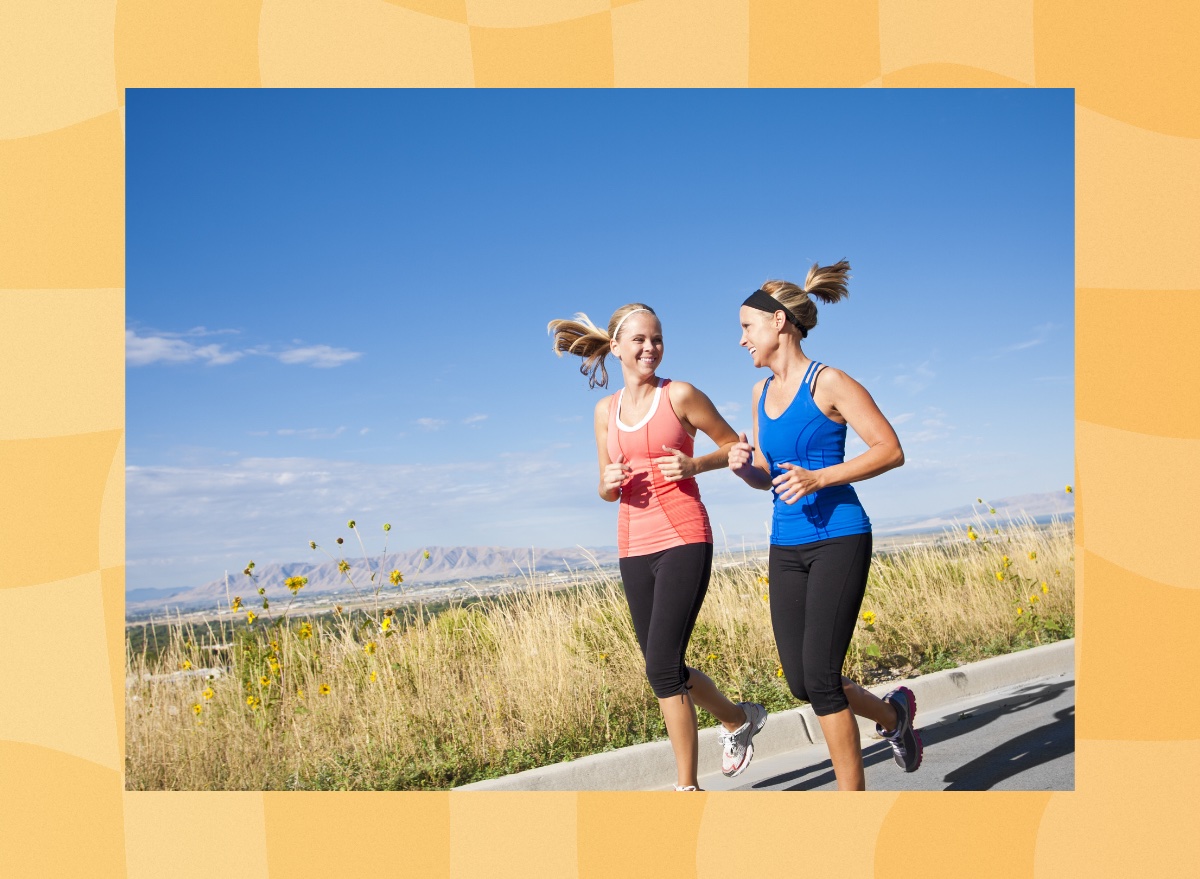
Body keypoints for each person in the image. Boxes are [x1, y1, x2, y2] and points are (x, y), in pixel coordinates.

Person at [549, 303, 767, 791]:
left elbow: (735, 447)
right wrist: (607, 482)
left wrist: (696, 466)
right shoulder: (606, 411)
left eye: (658, 339)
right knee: (663, 666)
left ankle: (686, 789)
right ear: (618, 347)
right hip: (632, 543)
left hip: (684, 536)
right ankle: (737, 719)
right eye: (640, 340)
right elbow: (606, 489)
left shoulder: (681, 395)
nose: (651, 348)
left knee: (662, 667)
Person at [727, 261, 922, 790]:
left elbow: (890, 450)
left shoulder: (828, 381)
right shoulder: (758, 394)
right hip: (785, 543)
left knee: (822, 679)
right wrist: (748, 469)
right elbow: (769, 476)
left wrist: (820, 479)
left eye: (747, 326)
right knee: (802, 681)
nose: (741, 338)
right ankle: (893, 717)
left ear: (779, 323)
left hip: (839, 535)